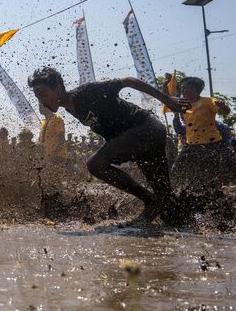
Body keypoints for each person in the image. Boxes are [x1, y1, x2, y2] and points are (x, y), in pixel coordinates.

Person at [28, 67, 188, 223]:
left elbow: (128, 81)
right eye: (38, 97)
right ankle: (197, 207)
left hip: (146, 129)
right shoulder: (71, 109)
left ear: (57, 87)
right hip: (139, 142)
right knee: (168, 207)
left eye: (43, 95)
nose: (41, 101)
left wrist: (167, 100)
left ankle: (151, 201)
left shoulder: (86, 92)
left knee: (95, 164)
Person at [170, 77, 231, 209]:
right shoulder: (184, 106)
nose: (185, 91)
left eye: (189, 88)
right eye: (183, 89)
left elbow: (225, 112)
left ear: (197, 90)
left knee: (209, 177)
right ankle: (174, 197)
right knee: (176, 170)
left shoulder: (208, 101)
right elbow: (181, 128)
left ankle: (217, 205)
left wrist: (223, 106)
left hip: (210, 145)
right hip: (190, 145)